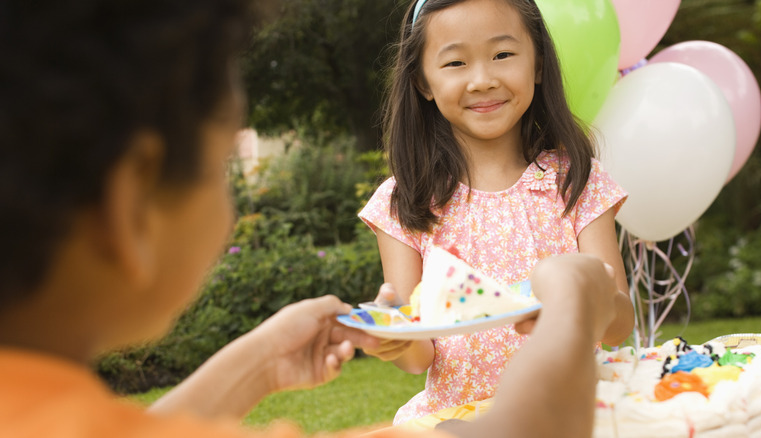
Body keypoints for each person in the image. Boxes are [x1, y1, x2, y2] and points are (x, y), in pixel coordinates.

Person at [0, 0, 619, 437]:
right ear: (129, 206)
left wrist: (258, 360)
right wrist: (571, 306)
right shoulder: (407, 200)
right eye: (221, 163)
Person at [358, 0, 636, 424]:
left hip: (575, 416)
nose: (482, 80)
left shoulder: (577, 180)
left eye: (503, 55)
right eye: (455, 62)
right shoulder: (405, 201)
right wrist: (395, 337)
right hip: (460, 421)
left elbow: (620, 324)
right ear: (422, 81)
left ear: (538, 64)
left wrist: (587, 301)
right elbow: (419, 354)